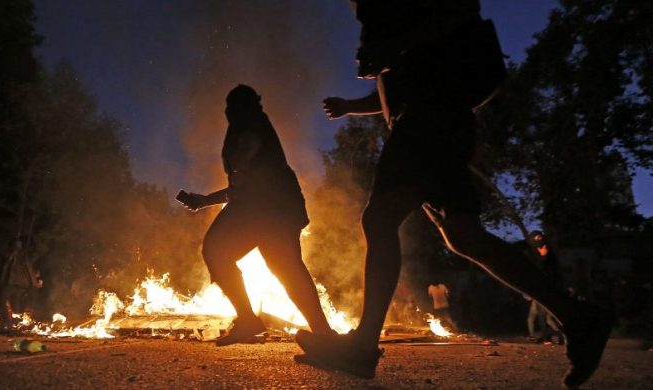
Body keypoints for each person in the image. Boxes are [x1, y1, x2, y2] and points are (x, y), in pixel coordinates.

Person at [295, 2, 613, 388]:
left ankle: (363, 345)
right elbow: (399, 84)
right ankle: (579, 318)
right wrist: (353, 105)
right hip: (436, 120)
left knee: (380, 218)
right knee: (464, 236)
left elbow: (461, 8)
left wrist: (392, 47)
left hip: (429, 119)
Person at [178, 84, 334, 346]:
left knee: (274, 263)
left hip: (271, 207)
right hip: (262, 205)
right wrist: (206, 201)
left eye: (234, 107)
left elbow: (251, 146)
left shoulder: (252, 123)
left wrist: (243, 156)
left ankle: (319, 332)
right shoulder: (244, 126)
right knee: (280, 265)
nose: (229, 112)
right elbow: (241, 188)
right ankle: (315, 331)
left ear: (248, 107)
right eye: (229, 107)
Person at [524, 231, 563, 344]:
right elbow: (534, 270)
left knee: (544, 315)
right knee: (544, 316)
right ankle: (548, 335)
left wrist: (544, 257)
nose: (538, 240)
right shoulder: (532, 254)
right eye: (535, 238)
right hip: (538, 287)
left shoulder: (549, 253)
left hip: (547, 287)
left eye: (540, 237)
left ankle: (547, 335)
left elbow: (553, 269)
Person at [0, 238, 43, 325]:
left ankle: (15, 322)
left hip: (19, 284)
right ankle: (8, 320)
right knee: (3, 298)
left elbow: (29, 270)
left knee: (14, 302)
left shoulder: (23, 257)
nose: (17, 247)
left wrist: (34, 284)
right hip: (11, 283)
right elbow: (5, 267)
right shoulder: (10, 256)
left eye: (18, 245)